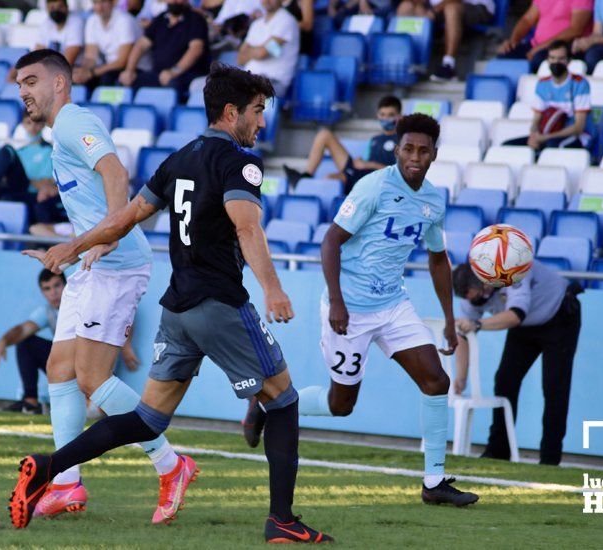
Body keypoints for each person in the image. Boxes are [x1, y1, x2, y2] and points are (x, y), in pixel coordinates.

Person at [9, 62, 333, 544]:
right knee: (283, 402)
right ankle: (282, 520)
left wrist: (71, 247)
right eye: (258, 111)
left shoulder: (177, 159)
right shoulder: (239, 163)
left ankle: (51, 467)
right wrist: (272, 288)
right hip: (221, 305)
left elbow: (126, 217)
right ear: (231, 111)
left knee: (145, 419)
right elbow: (248, 228)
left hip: (175, 311)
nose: (262, 123)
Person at [244, 114, 479, 507]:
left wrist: (450, 320)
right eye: (408, 149)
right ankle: (269, 400)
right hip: (349, 309)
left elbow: (439, 260)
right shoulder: (374, 186)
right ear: (398, 150)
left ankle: (434, 482)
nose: (415, 157)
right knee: (342, 406)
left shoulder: (433, 200)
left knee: (436, 381)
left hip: (393, 305)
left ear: (435, 154)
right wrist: (337, 300)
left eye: (423, 150)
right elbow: (331, 241)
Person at [13, 49, 184, 523]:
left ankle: (172, 467)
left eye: (31, 81)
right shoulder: (60, 134)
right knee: (59, 370)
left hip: (118, 265)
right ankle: (66, 485)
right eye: (18, 84)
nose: (23, 92)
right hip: (93, 265)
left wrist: (113, 230)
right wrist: (68, 248)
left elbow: (116, 172)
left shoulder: (72, 121)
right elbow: (96, 200)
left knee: (91, 378)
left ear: (59, 83)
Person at [452, 260, 583, 465]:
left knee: (554, 386)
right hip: (526, 325)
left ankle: (550, 458)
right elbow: (462, 334)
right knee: (505, 380)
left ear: (486, 283)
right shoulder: (470, 297)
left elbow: (515, 315)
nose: (477, 302)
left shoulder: (514, 269)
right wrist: (460, 377)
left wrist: (477, 324)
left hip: (559, 316)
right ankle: (498, 450)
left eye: (478, 296)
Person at [283, 95, 402, 193]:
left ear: (399, 116)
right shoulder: (375, 139)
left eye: (391, 115)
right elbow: (364, 162)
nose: (386, 118)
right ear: (377, 115)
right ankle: (305, 177)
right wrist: (361, 162)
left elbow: (400, 174)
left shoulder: (403, 140)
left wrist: (370, 164)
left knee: (330, 180)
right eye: (382, 115)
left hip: (376, 179)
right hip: (360, 172)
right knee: (324, 134)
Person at [0, 269, 66, 414]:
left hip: (85, 364)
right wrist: (3, 341)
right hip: (65, 364)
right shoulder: (47, 311)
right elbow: (23, 329)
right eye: (47, 288)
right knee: (26, 342)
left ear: (66, 285)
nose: (53, 292)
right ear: (42, 292)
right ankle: (30, 402)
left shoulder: (79, 305)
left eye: (57, 286)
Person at [0, 114, 67, 229]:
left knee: (7, 150)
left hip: (33, 193)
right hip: (19, 190)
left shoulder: (49, 151)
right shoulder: (21, 151)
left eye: (37, 123)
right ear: (22, 124)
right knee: (6, 154)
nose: (33, 127)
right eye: (28, 123)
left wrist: (25, 179)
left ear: (43, 125)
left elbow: (46, 184)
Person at [504, 41, 591, 152]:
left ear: (569, 61)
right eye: (552, 58)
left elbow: (579, 127)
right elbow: (536, 120)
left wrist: (546, 138)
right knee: (508, 146)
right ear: (547, 60)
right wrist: (533, 136)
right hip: (545, 136)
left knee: (550, 147)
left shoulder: (580, 84)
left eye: (561, 59)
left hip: (575, 137)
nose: (556, 62)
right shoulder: (542, 84)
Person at [118, 0, 211, 97]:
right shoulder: (160, 19)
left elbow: (196, 49)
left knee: (172, 83)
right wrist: (129, 70)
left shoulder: (195, 19)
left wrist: (174, 71)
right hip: (159, 74)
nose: (174, 1)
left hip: (186, 74)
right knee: (124, 80)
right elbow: (141, 45)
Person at [397, 0, 495, 81]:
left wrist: (434, 11)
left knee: (451, 8)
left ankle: (448, 65)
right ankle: (410, 63)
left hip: (477, 7)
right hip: (439, 9)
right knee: (406, 6)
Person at [498, 0, 593, 72]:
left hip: (565, 47)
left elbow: (575, 30)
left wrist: (541, 47)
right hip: (536, 45)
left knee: (538, 59)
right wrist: (513, 41)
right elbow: (527, 20)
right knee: (505, 55)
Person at [237, 0, 299, 96]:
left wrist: (252, 51)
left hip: (274, 82)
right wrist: (258, 50)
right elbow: (240, 58)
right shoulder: (256, 24)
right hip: (250, 80)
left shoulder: (287, 21)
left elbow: (263, 53)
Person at [73, 0, 139, 87]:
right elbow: (91, 57)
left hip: (132, 69)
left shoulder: (125, 20)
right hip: (107, 68)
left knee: (106, 79)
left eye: (103, 2)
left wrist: (91, 73)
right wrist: (82, 71)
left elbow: (122, 62)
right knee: (75, 78)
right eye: (96, 3)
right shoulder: (92, 20)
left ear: (113, 2)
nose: (99, 7)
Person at [36, 0, 84, 66]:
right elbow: (36, 54)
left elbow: (68, 61)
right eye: (52, 8)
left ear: (67, 7)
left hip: (73, 67)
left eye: (60, 7)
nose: (56, 10)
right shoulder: (47, 23)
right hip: (51, 67)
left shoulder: (76, 22)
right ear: (47, 9)